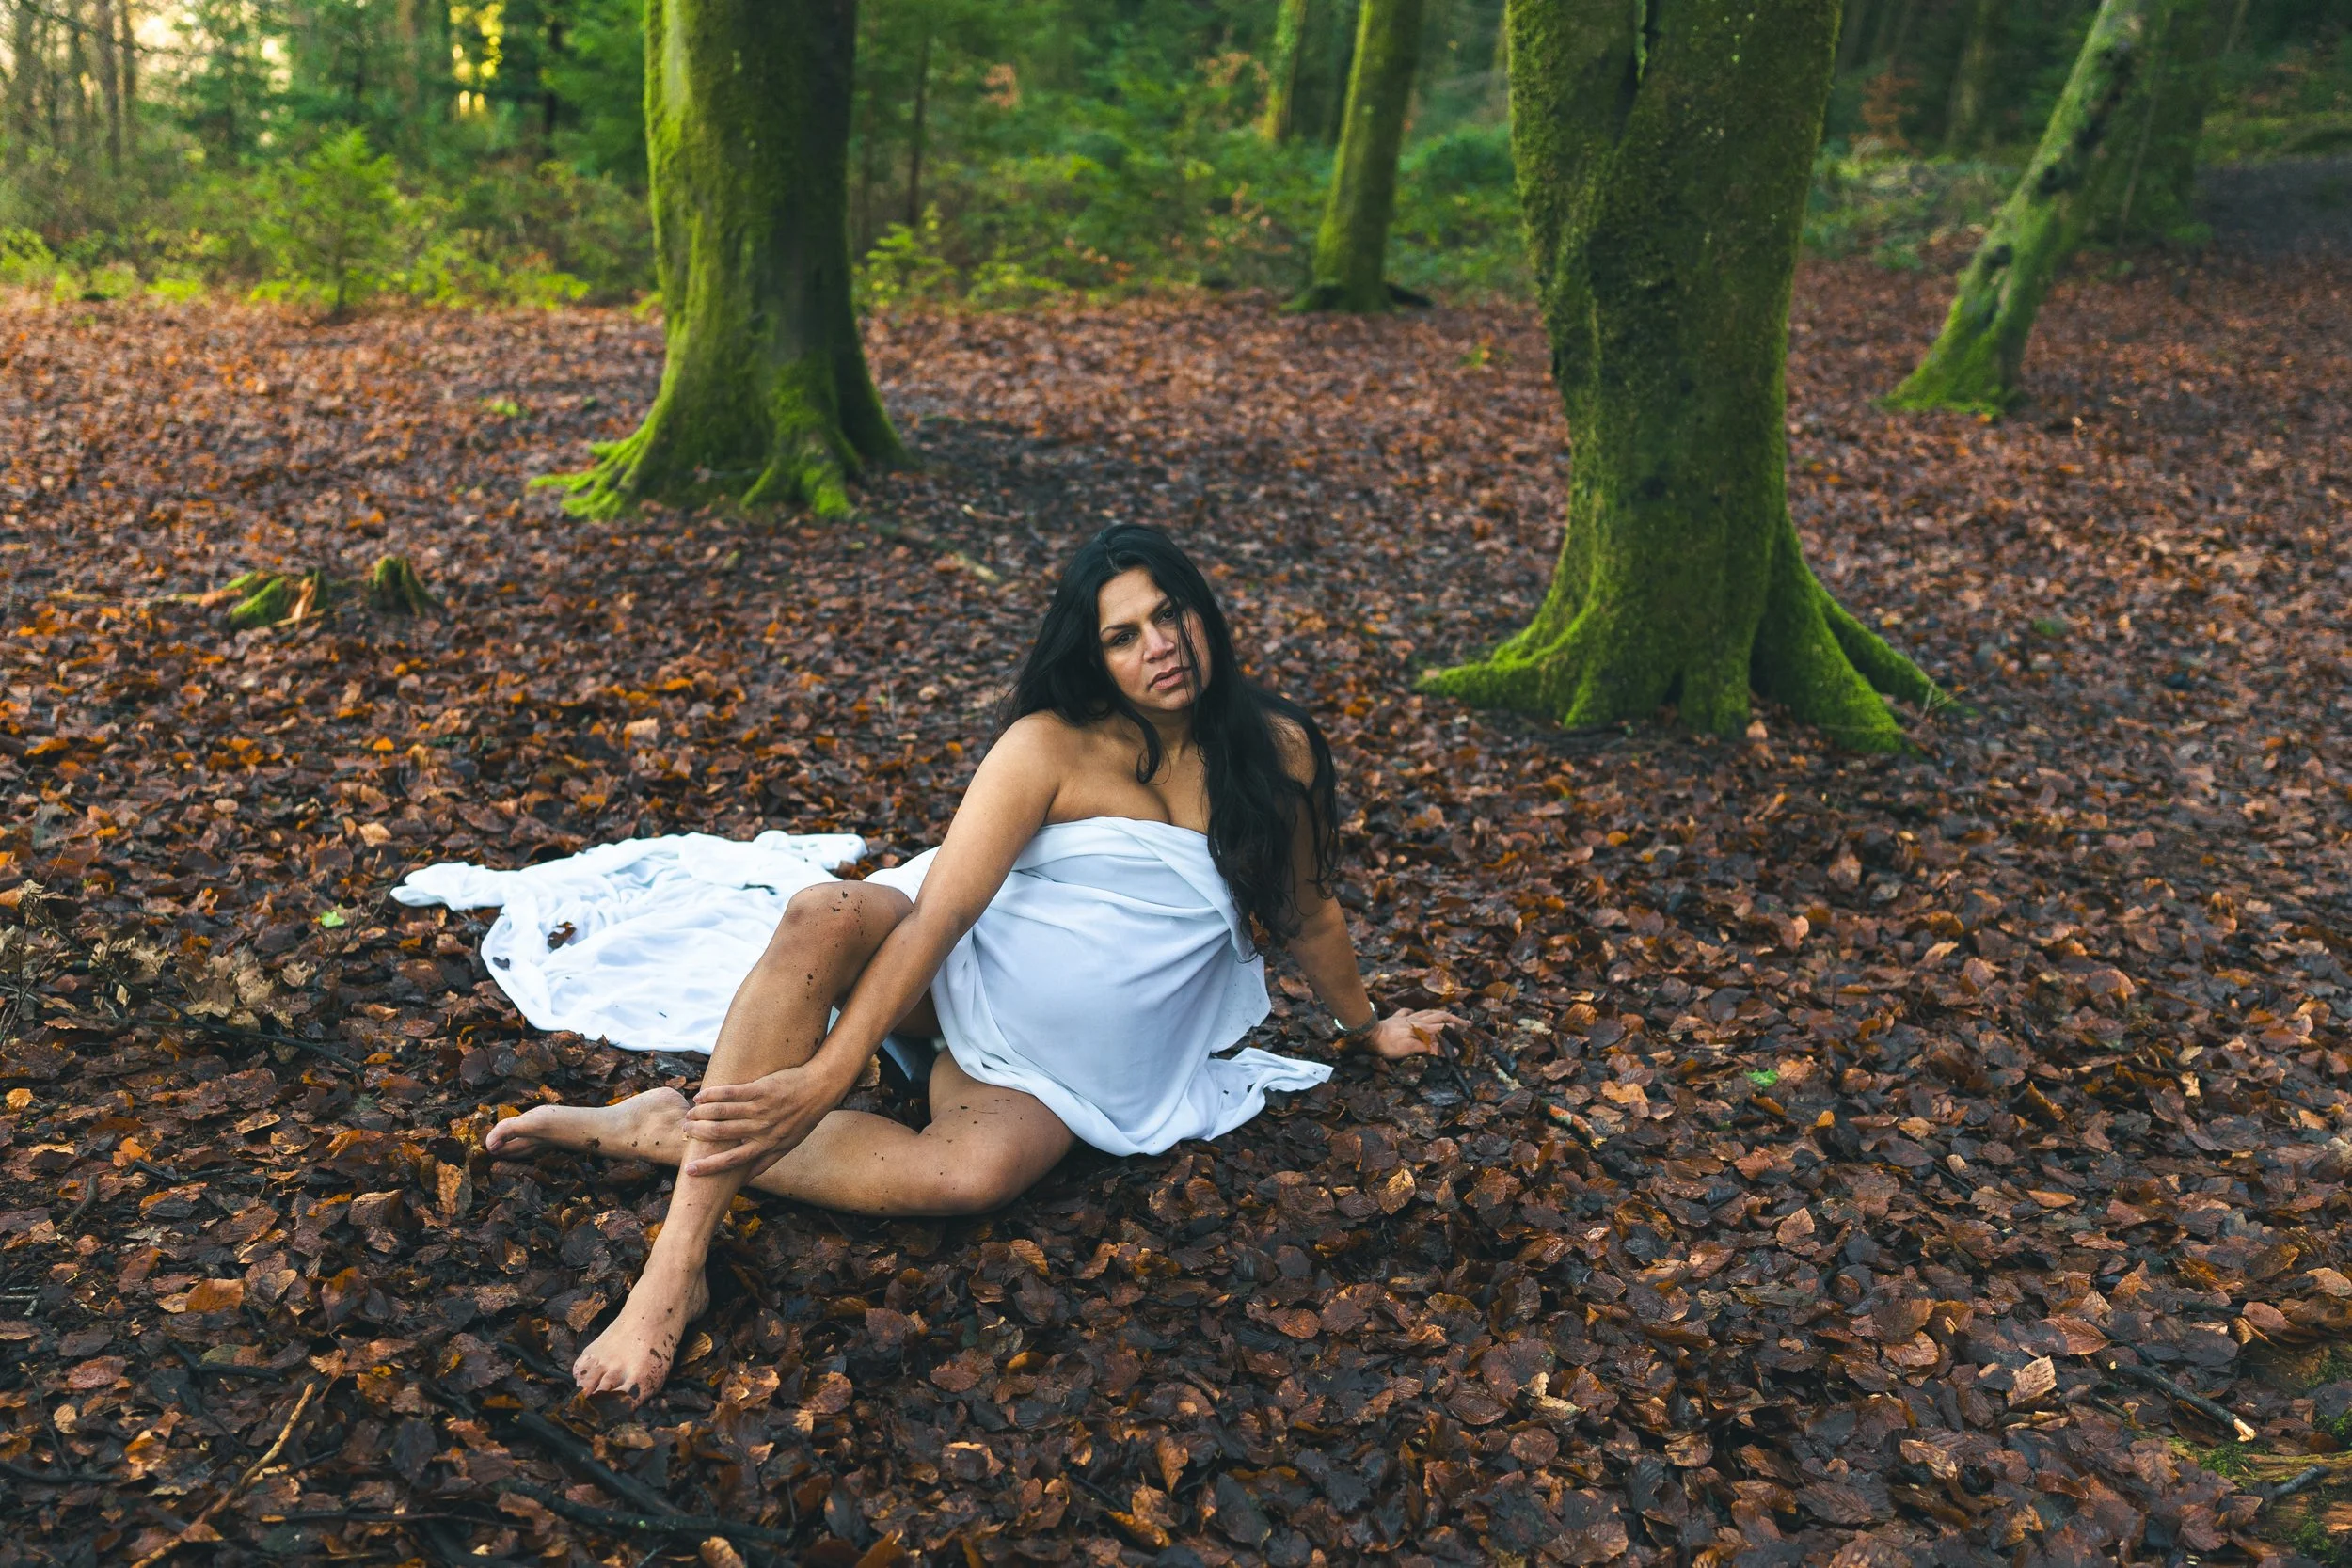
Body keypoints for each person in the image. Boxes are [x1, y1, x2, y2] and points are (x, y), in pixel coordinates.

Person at [485, 523, 1463, 1403]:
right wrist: (829, 1071)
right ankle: (677, 1260)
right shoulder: (1049, 744)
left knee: (962, 1178)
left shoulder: (1276, 747)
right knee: (823, 910)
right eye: (1124, 634)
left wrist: (1362, 1026)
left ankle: (667, 1124)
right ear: (1096, 656)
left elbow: (1307, 910)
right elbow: (940, 914)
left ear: (1204, 615)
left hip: (1063, 1072)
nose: (1159, 645)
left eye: (1169, 615)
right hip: (955, 972)